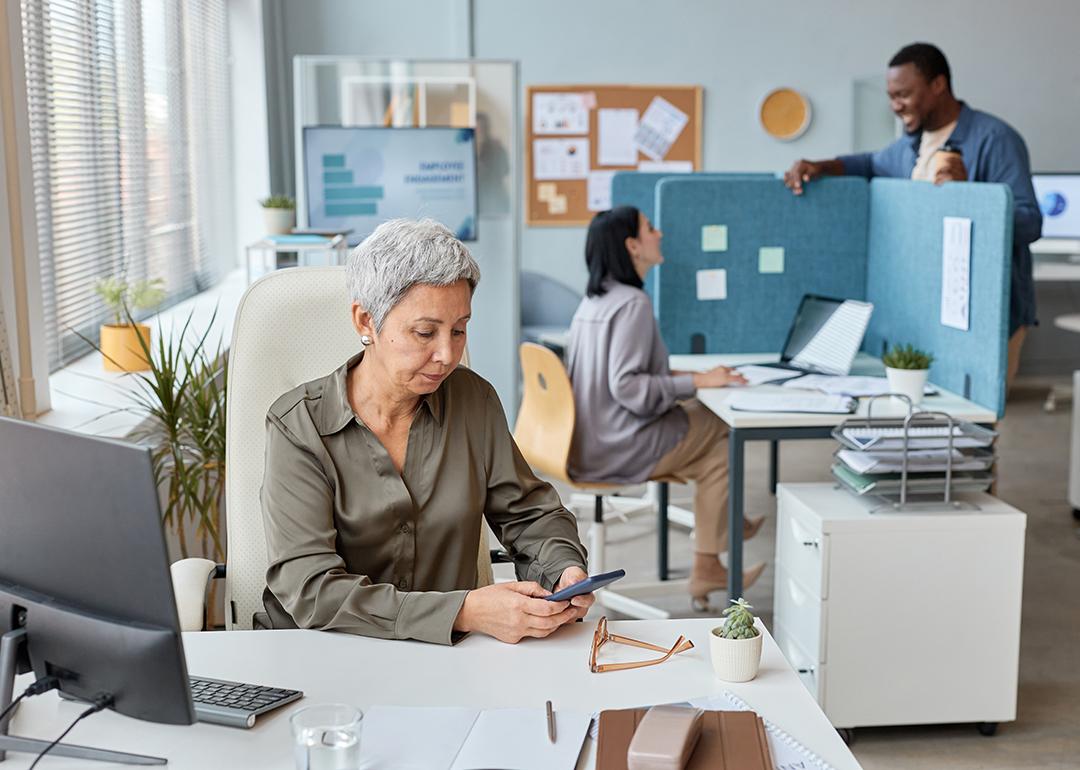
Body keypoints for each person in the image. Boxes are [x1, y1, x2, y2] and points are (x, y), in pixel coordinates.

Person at [260, 218, 592, 645]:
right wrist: (463, 611)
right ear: (366, 322)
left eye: (459, 330)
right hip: (320, 654)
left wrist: (563, 569)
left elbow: (529, 514)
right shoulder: (298, 427)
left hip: (445, 659)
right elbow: (310, 590)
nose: (448, 354)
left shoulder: (474, 401)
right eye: (424, 332)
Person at [784, 42, 1042, 387]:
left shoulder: (996, 139)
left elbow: (1030, 221)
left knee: (973, 424)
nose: (895, 106)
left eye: (904, 94)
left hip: (984, 312)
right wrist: (821, 166)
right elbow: (869, 164)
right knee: (930, 423)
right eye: (891, 96)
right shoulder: (910, 147)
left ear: (938, 85)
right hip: (930, 308)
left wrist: (971, 197)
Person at [565, 206, 766, 611]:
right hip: (619, 443)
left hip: (589, 440)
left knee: (710, 450)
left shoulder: (594, 301)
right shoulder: (633, 303)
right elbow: (629, 387)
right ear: (633, 246)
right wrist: (696, 381)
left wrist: (691, 379)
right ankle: (716, 547)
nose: (661, 233)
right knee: (722, 429)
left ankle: (721, 539)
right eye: (651, 228)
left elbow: (626, 372)